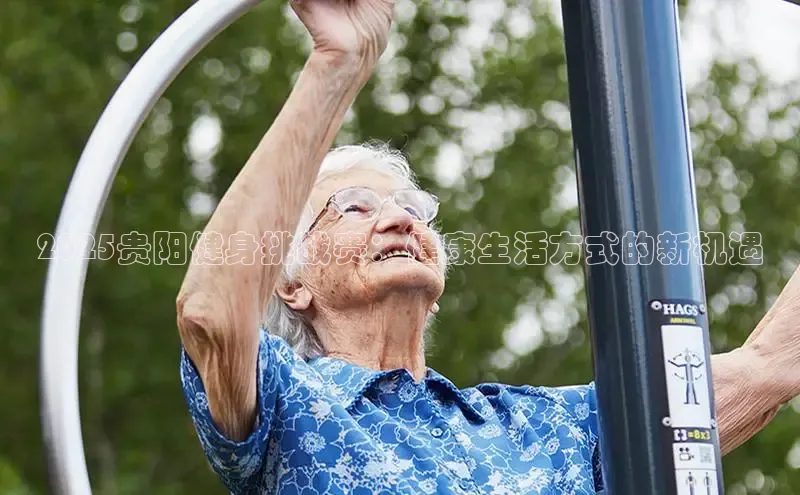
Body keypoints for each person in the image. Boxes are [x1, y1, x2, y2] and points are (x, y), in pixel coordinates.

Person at [175, 0, 800, 493]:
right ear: (291, 284)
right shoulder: (286, 403)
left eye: (413, 209)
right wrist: (339, 65)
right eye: (355, 206)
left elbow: (772, 362)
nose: (399, 220)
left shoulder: (548, 430)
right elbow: (210, 311)